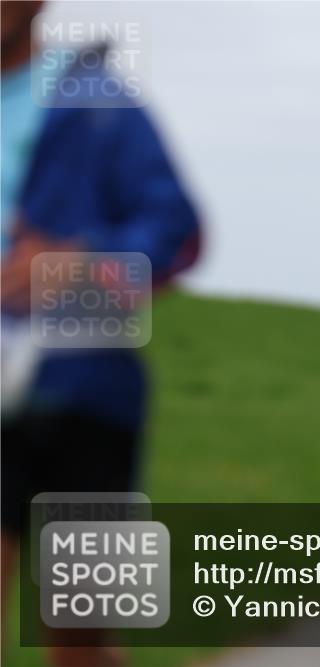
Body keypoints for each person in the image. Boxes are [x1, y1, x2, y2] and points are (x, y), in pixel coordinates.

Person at [1, 2, 201, 664]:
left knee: (83, 634)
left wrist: (79, 264)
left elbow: (178, 232)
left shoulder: (97, 101)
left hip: (84, 393)